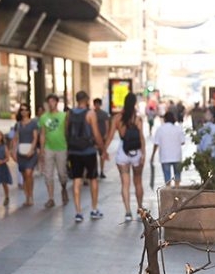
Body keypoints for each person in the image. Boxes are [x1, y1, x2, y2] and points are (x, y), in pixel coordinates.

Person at [65, 90, 106, 222]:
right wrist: (102, 149)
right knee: (93, 178)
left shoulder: (69, 114)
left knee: (77, 180)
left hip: (74, 152)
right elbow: (96, 134)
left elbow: (66, 132)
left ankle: (78, 212)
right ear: (87, 100)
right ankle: (94, 209)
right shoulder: (90, 113)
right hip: (88, 151)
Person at [108, 91, 147, 221]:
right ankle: (140, 208)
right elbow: (141, 137)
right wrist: (143, 154)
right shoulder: (137, 118)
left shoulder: (117, 118)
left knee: (125, 183)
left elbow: (110, 136)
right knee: (138, 181)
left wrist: (103, 150)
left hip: (123, 152)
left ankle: (128, 212)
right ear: (135, 103)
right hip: (136, 152)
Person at [37, 94, 67, 208]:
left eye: (53, 101)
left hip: (61, 147)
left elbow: (66, 132)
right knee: (48, 174)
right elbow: (43, 134)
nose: (51, 103)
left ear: (57, 102)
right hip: (49, 148)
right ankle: (51, 198)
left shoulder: (63, 116)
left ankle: (63, 188)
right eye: (49, 101)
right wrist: (42, 149)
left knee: (61, 173)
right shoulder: (44, 117)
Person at [10, 103, 40, 206]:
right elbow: (15, 138)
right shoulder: (18, 124)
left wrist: (32, 149)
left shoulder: (33, 123)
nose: (23, 112)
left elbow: (35, 137)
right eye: (22, 110)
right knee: (24, 175)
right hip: (21, 152)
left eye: (25, 109)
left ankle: (30, 195)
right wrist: (13, 151)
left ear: (29, 111)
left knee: (29, 173)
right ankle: (27, 196)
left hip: (31, 152)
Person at [151, 110, 187, 188]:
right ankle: (177, 191)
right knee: (177, 178)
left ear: (165, 119)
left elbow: (156, 144)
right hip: (177, 156)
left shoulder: (160, 129)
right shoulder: (178, 128)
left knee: (167, 179)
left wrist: (152, 156)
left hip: (165, 157)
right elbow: (183, 142)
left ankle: (168, 192)